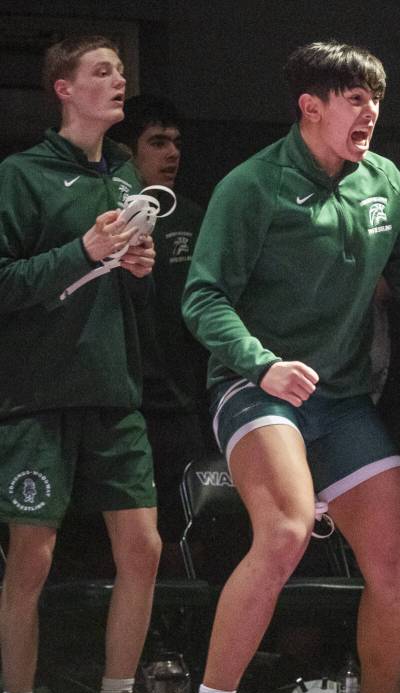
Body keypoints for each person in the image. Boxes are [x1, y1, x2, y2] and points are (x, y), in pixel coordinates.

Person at [179, 41, 400, 693]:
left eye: (376, 100)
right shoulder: (252, 186)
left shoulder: (381, 180)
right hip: (253, 389)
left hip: (343, 398)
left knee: (396, 559)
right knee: (287, 529)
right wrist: (261, 363)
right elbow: (201, 297)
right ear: (311, 107)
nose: (370, 114)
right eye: (354, 100)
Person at [0, 35, 178, 693]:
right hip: (35, 398)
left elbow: (123, 295)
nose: (118, 81)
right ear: (63, 89)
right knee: (31, 558)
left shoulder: (119, 183)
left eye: (121, 71)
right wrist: (84, 252)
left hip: (113, 394)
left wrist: (135, 266)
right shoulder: (19, 175)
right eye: (101, 72)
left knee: (144, 548)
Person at [107, 94, 213, 566]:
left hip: (179, 402)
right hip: (115, 401)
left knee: (182, 531)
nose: (172, 153)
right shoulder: (100, 216)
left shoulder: (193, 217)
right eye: (157, 142)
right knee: (120, 537)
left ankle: (178, 636)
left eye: (176, 142)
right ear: (128, 151)